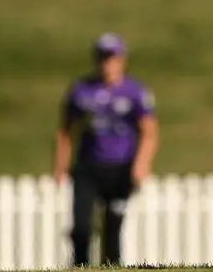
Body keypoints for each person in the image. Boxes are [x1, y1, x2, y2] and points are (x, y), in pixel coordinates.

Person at [52, 32, 159, 267]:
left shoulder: (134, 93)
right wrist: (60, 166)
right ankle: (79, 266)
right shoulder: (81, 91)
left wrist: (141, 164)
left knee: (113, 226)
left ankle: (112, 266)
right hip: (88, 168)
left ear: (121, 60)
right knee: (81, 227)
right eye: (102, 57)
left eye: (111, 58)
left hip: (120, 168)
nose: (106, 64)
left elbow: (148, 132)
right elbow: (65, 130)